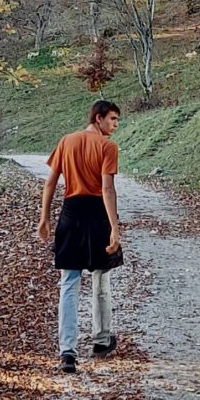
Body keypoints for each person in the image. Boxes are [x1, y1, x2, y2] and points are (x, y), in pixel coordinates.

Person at [38, 99, 124, 371]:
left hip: (71, 213)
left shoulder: (67, 141)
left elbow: (51, 181)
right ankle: (101, 339)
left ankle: (67, 352)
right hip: (97, 213)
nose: (115, 125)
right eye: (112, 119)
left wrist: (44, 217)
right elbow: (107, 189)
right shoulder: (107, 147)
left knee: (69, 282)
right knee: (101, 277)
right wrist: (114, 228)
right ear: (98, 118)